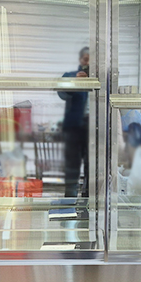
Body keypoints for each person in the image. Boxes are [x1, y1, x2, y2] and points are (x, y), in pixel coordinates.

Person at [58, 47, 90, 197]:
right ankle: (69, 202)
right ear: (80, 60)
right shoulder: (70, 76)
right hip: (73, 128)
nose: (88, 63)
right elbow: (62, 93)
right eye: (85, 59)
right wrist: (75, 81)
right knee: (71, 167)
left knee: (93, 166)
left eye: (91, 60)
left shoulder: (101, 79)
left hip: (95, 127)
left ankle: (89, 201)